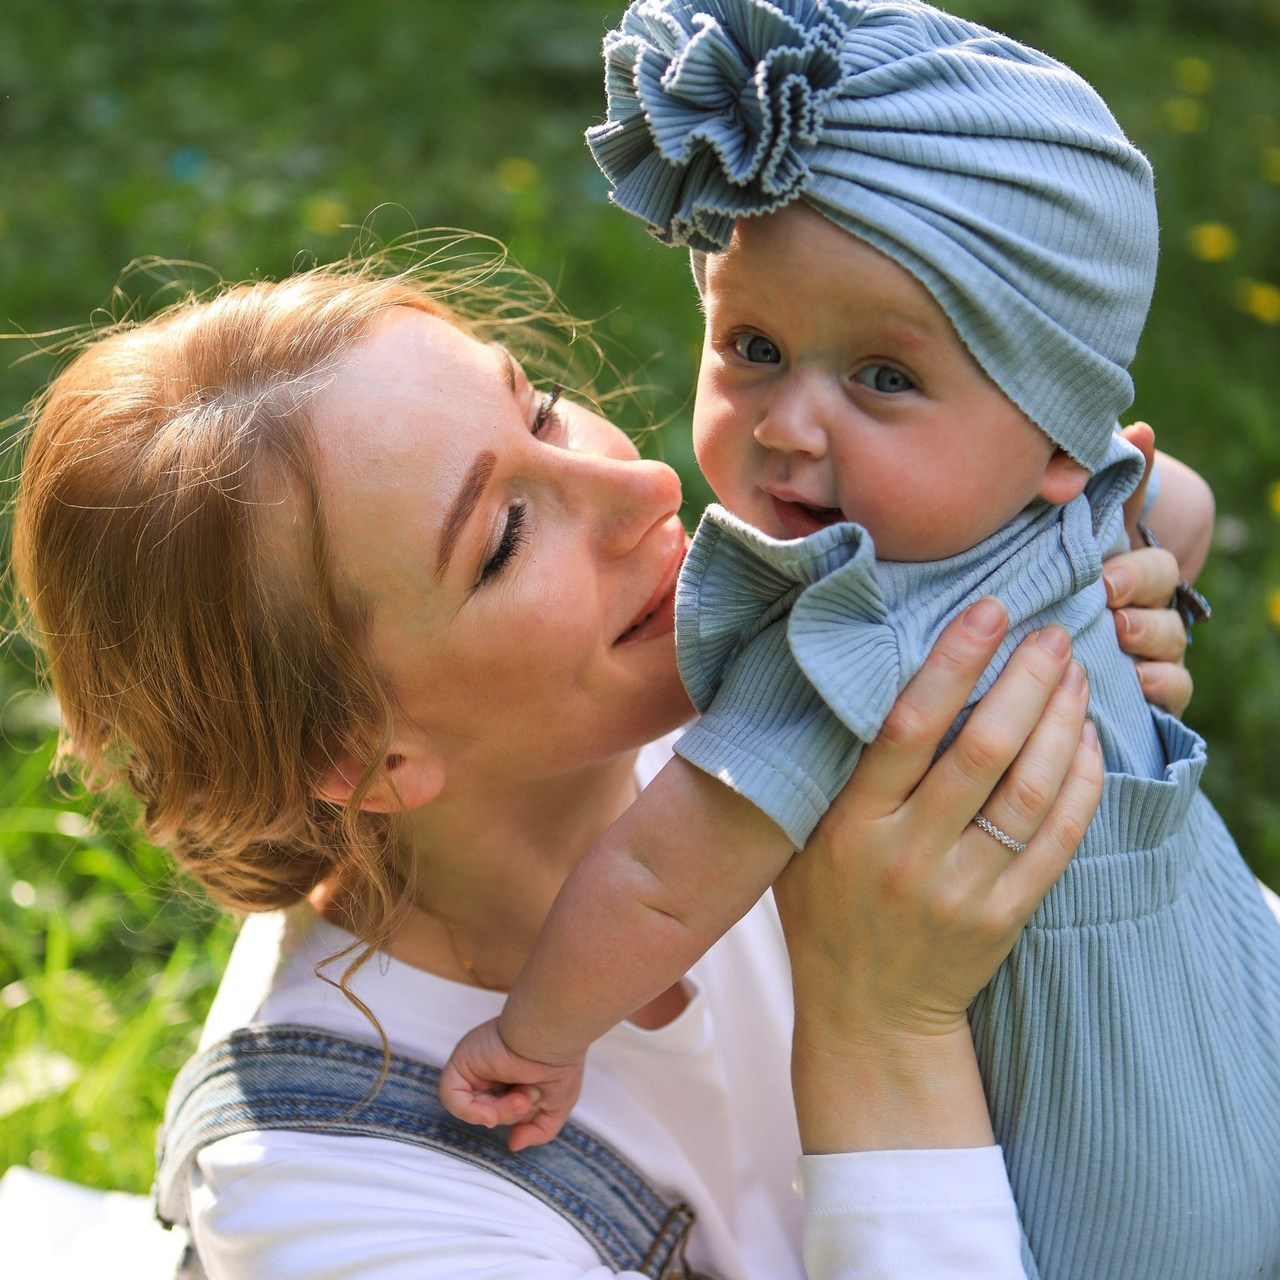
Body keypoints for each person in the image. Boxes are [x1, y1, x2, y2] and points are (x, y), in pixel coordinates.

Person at [11, 242, 1197, 1280]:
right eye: (504, 536)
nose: (643, 485)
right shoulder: (333, 1192)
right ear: (359, 754)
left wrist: (1108, 624)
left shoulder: (812, 649)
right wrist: (881, 1024)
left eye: (539, 411)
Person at [440, 4, 1280, 1277]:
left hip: (1106, 1175)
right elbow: (1179, 506)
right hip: (1235, 990)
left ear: (1055, 437)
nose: (788, 422)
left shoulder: (840, 625)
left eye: (881, 379)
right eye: (754, 348)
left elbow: (660, 878)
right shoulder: (1066, 489)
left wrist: (540, 1036)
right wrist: (1145, 572)